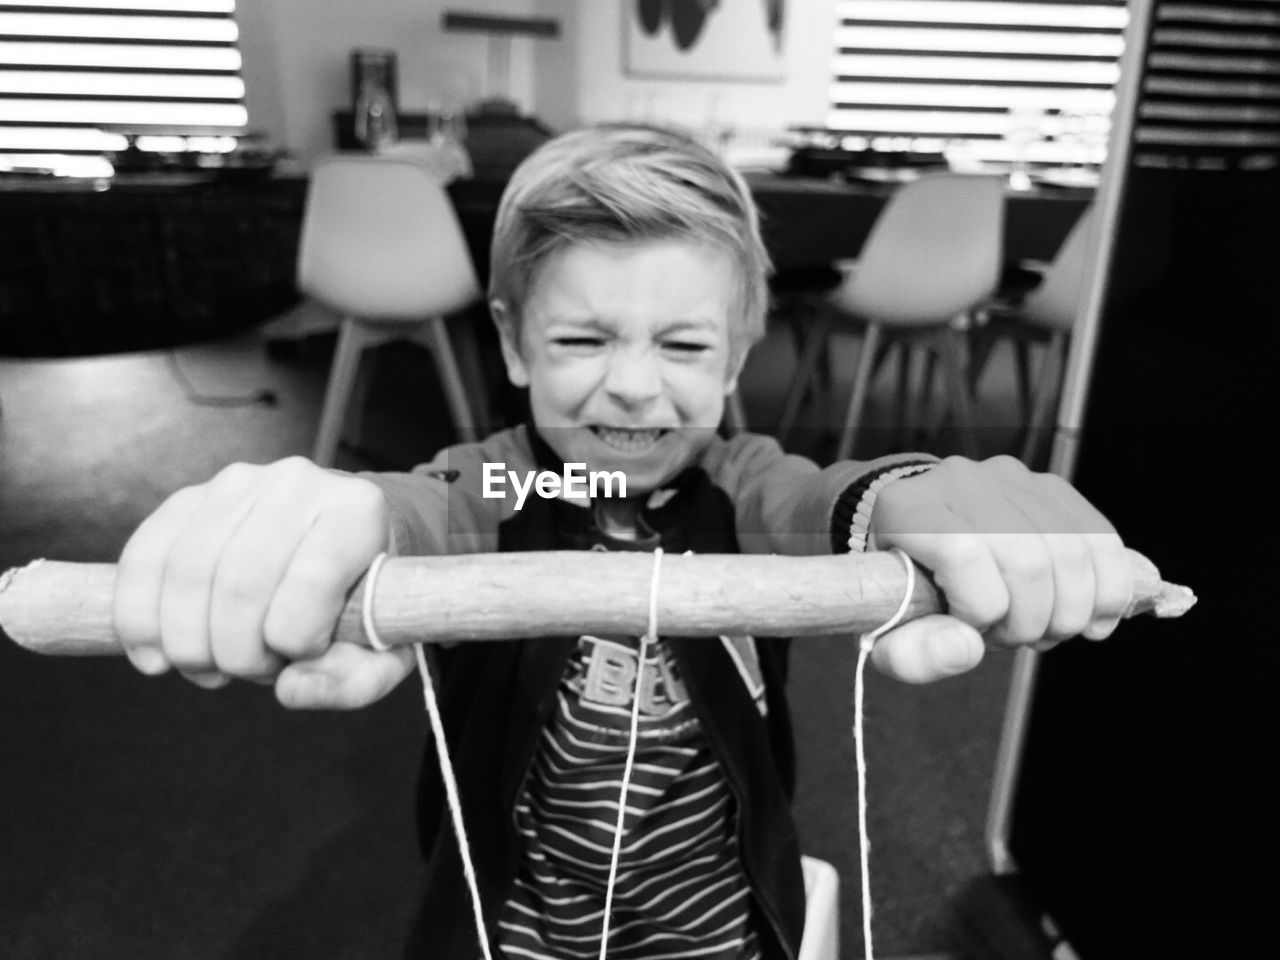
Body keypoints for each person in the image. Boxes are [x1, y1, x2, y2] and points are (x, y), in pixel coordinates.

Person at [112, 124, 1132, 960]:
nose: (636, 385)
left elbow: (823, 503)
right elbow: (423, 508)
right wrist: (335, 521)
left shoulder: (737, 484)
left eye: (684, 344)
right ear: (512, 341)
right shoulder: (513, 478)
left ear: (735, 355)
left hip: (715, 922)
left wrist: (909, 497)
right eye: (582, 339)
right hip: (525, 924)